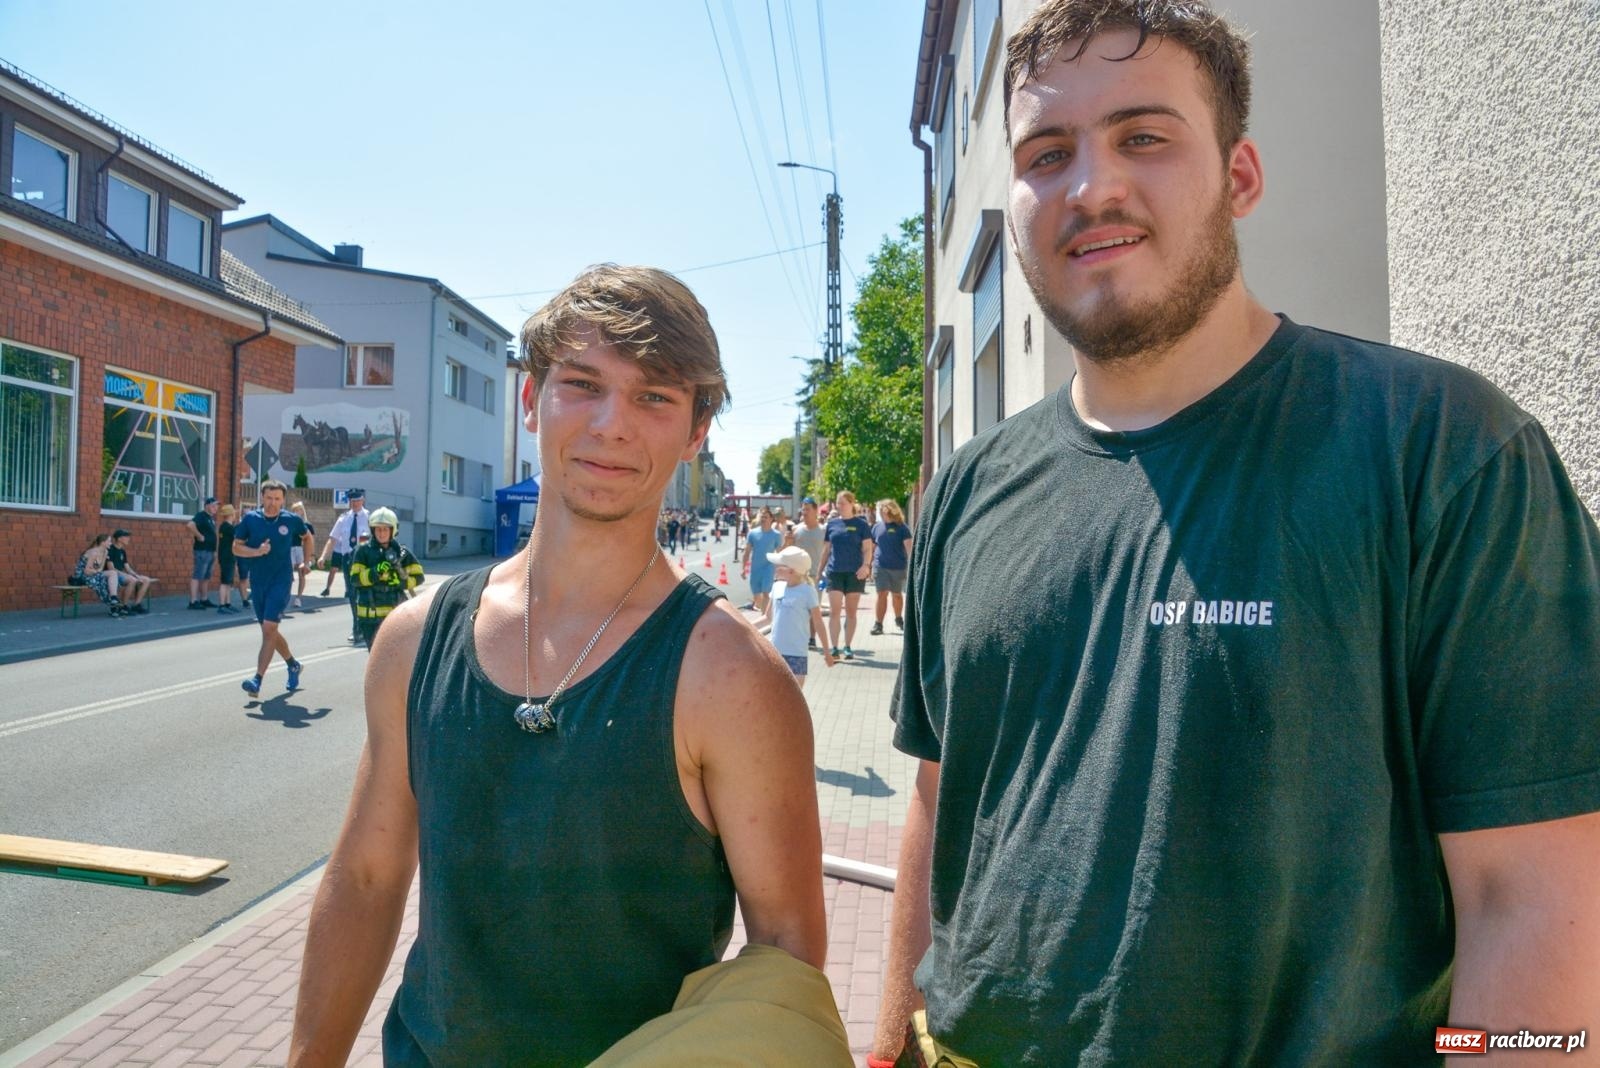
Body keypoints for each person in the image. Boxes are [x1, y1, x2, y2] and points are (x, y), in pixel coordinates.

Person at [872, 3, 1600, 1065]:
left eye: (1143, 136)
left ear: (1240, 176)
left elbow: (1533, 898)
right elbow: (937, 804)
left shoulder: (1440, 451)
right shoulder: (967, 490)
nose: (1092, 187)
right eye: (1046, 154)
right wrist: (885, 1048)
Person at [290, 263, 838, 1066]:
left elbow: (785, 955)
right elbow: (366, 879)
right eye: (582, 385)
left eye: (654, 397)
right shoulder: (415, 639)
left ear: (696, 432)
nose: (612, 424)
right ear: (530, 399)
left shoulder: (732, 677)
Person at [231, 479, 313, 696]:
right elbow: (236, 548)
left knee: (268, 628)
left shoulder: (291, 520)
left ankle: (257, 680)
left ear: (283, 500)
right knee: (270, 631)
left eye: (277, 499)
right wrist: (256, 552)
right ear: (262, 497)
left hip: (281, 581)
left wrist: (306, 562)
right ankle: (293, 664)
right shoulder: (251, 519)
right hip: (258, 582)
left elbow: (307, 538)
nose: (273, 503)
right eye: (269, 498)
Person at [759, 545, 834, 690]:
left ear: (791, 571)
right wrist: (744, 626)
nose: (775, 568)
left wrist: (826, 652)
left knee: (794, 697)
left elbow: (818, 622)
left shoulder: (807, 591)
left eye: (779, 565)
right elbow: (767, 618)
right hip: (775, 653)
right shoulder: (777, 587)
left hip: (797, 655)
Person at [348, 507, 424, 648]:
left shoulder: (402, 552)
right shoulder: (363, 551)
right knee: (377, 656)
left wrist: (400, 582)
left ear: (392, 530)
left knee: (397, 654)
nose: (381, 533)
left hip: (396, 615)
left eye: (385, 529)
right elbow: (355, 579)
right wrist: (375, 572)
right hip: (370, 617)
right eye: (378, 529)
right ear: (373, 530)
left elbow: (419, 577)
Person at [817, 490, 873, 660]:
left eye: (842, 503)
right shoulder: (832, 524)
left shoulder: (861, 525)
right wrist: (819, 572)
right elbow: (826, 550)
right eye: (838, 503)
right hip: (835, 572)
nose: (839, 506)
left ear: (851, 504)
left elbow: (867, 548)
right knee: (835, 611)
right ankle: (834, 647)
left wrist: (866, 566)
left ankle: (847, 646)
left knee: (851, 612)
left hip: (855, 573)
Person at [318, 488, 370, 641]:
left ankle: (367, 626)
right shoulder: (343, 518)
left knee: (365, 594)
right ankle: (357, 628)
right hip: (349, 560)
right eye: (352, 501)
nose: (355, 504)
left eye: (357, 500)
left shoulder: (370, 517)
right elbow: (332, 539)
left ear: (363, 501)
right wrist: (323, 556)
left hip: (365, 559)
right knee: (352, 595)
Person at [869, 500, 913, 636]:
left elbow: (909, 548)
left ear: (892, 512)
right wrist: (868, 565)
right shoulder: (876, 527)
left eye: (885, 512)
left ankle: (899, 618)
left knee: (897, 595)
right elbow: (872, 547)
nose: (882, 515)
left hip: (898, 567)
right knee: (881, 593)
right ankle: (878, 624)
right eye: (881, 512)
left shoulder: (902, 528)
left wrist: (912, 566)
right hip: (880, 565)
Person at [792, 497, 827, 650]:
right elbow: (787, 551)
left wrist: (825, 573)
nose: (804, 512)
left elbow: (828, 552)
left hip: (816, 576)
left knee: (814, 609)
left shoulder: (823, 531)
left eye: (807, 509)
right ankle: (799, 637)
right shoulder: (796, 530)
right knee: (798, 609)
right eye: (803, 509)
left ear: (815, 510)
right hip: (798, 577)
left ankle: (812, 638)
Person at [69, 534, 126, 617]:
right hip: (82, 576)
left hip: (94, 573)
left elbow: (100, 569)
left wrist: (97, 572)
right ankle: (114, 607)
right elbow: (87, 571)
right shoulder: (94, 552)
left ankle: (114, 599)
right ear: (103, 542)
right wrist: (97, 572)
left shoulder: (105, 552)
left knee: (113, 574)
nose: (111, 543)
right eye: (109, 541)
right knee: (103, 580)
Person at [104, 529, 154, 614]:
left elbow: (128, 568)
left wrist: (136, 575)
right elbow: (111, 568)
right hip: (112, 576)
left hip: (121, 574)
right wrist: (128, 576)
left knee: (146, 580)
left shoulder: (122, 551)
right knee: (132, 580)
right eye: (126, 537)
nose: (128, 539)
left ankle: (136, 605)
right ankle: (123, 607)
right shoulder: (110, 549)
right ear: (119, 539)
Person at [744, 507, 782, 614]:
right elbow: (747, 551)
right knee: (756, 595)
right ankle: (764, 611)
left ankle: (764, 615)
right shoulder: (752, 533)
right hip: (756, 568)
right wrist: (743, 568)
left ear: (771, 519)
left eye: (766, 517)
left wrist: (780, 568)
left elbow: (779, 552)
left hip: (768, 567)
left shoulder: (776, 535)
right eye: (762, 517)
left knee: (766, 593)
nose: (763, 519)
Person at [185, 496, 219, 609]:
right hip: (202, 551)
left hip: (210, 551)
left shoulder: (210, 518)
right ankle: (193, 601)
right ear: (207, 506)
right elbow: (190, 525)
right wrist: (199, 536)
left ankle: (204, 599)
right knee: (198, 575)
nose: (216, 508)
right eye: (213, 505)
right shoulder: (201, 516)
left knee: (206, 576)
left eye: (217, 506)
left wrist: (214, 551)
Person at [216, 504, 247, 614]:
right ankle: (221, 605)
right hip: (227, 557)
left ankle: (227, 603)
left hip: (227, 556)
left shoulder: (224, 526)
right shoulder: (229, 528)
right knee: (225, 582)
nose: (235, 515)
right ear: (230, 515)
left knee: (228, 582)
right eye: (233, 513)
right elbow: (238, 540)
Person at [289, 501, 315, 609]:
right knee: (288, 574)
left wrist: (311, 556)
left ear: (302, 511)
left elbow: (311, 541)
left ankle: (298, 598)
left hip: (300, 549)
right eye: (294, 510)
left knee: (302, 574)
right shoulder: (290, 523)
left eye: (299, 509)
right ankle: (286, 597)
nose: (297, 512)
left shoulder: (307, 525)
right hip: (290, 549)